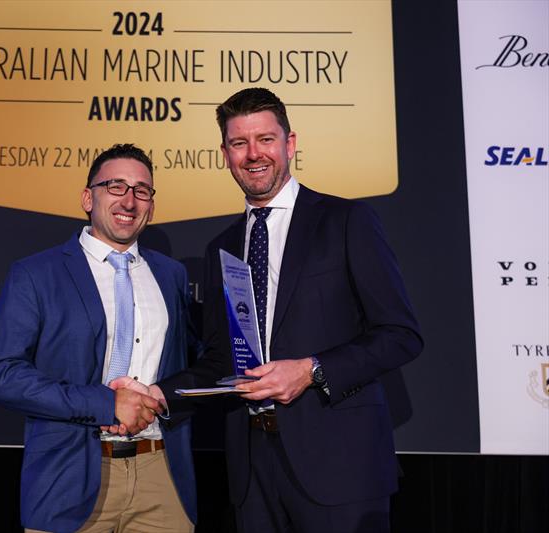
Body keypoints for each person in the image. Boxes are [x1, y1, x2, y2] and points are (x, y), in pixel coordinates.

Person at [112, 88, 423, 532]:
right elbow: (222, 359)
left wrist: (311, 369)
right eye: (239, 143)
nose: (253, 154)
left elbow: (400, 334)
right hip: (253, 468)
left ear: (290, 144)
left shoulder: (345, 221)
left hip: (340, 466)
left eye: (265, 140)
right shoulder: (222, 247)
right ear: (225, 153)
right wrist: (159, 395)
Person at [0, 144, 196, 533]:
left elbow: (192, 364)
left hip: (161, 476)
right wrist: (106, 403)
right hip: (69, 477)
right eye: (115, 186)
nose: (129, 200)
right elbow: (1, 375)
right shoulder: (36, 273)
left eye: (141, 190)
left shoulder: (171, 275)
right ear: (87, 197)